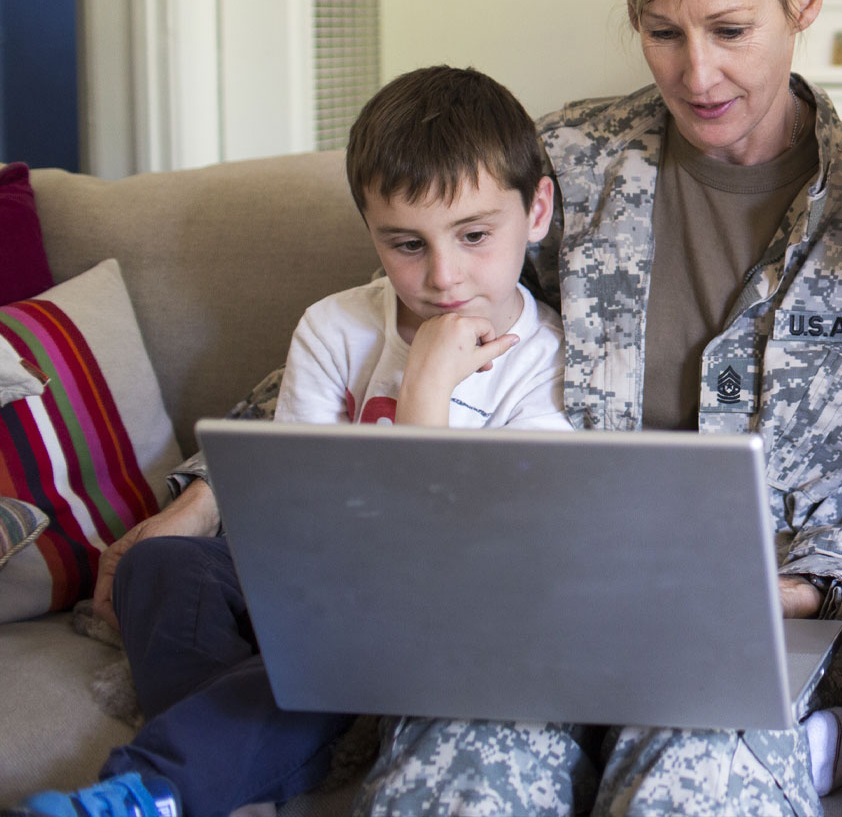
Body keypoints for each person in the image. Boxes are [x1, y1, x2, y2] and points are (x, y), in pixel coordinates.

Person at [351, 0, 842, 817]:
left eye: (729, 29)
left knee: (695, 789)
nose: (697, 71)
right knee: (448, 786)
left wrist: (796, 591)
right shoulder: (569, 168)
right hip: (533, 608)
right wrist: (201, 501)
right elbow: (397, 313)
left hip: (741, 643)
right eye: (662, 31)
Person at [17, 66, 569, 817]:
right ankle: (248, 762)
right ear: (370, 229)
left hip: (422, 611)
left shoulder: (548, 361)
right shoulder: (336, 326)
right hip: (312, 579)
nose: (443, 276)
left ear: (535, 211)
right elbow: (290, 508)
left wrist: (427, 388)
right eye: (406, 243)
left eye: (474, 236)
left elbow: (456, 551)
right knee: (161, 565)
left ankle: (160, 786)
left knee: (342, 643)